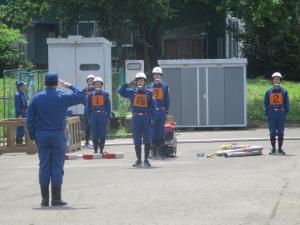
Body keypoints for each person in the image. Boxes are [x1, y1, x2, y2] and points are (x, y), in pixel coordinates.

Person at [27, 72, 85, 207]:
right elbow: (81, 95)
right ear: (56, 83)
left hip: (42, 135)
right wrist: (69, 85)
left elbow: (30, 119)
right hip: (58, 134)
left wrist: (33, 136)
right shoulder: (61, 96)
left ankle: (44, 200)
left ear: (44, 83)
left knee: (44, 166)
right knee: (57, 167)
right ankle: (56, 199)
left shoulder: (36, 98)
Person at [118, 72, 156, 167]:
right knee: (137, 138)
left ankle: (146, 159)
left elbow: (153, 106)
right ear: (136, 82)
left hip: (146, 117)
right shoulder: (132, 91)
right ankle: (138, 160)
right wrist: (127, 84)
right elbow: (121, 91)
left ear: (144, 82)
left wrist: (152, 118)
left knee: (147, 138)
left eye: (142, 80)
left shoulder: (149, 93)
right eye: (138, 80)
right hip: (136, 117)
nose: (140, 82)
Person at [264, 72, 289, 155]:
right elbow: (266, 104)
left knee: (281, 132)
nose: (276, 80)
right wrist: (267, 114)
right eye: (275, 79)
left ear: (280, 80)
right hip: (272, 113)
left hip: (281, 113)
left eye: (278, 79)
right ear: (272, 80)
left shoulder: (284, 92)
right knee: (272, 132)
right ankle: (273, 149)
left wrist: (285, 114)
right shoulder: (268, 92)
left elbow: (287, 104)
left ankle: (280, 149)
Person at [147, 67, 170, 159]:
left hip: (161, 111)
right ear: (153, 76)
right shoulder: (149, 87)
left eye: (158, 75)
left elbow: (167, 100)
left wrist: (166, 111)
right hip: (153, 112)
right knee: (152, 131)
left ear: (161, 76)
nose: (157, 76)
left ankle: (161, 151)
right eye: (155, 75)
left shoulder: (165, 86)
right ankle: (153, 152)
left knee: (160, 131)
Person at [86, 76, 111, 154]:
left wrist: (108, 116)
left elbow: (108, 106)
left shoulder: (105, 94)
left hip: (102, 115)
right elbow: (88, 107)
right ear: (93, 85)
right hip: (93, 114)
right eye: (96, 84)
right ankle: (95, 149)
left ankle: (101, 150)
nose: (97, 85)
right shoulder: (90, 95)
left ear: (101, 85)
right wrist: (89, 117)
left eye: (99, 84)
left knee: (102, 132)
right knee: (94, 132)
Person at [82, 74, 95, 147]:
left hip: (94, 110)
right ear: (87, 82)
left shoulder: (96, 90)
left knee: (95, 126)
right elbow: (82, 99)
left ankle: (95, 141)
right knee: (87, 127)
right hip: (87, 110)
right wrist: (86, 105)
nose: (91, 82)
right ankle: (86, 141)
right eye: (89, 81)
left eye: (92, 81)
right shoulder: (84, 90)